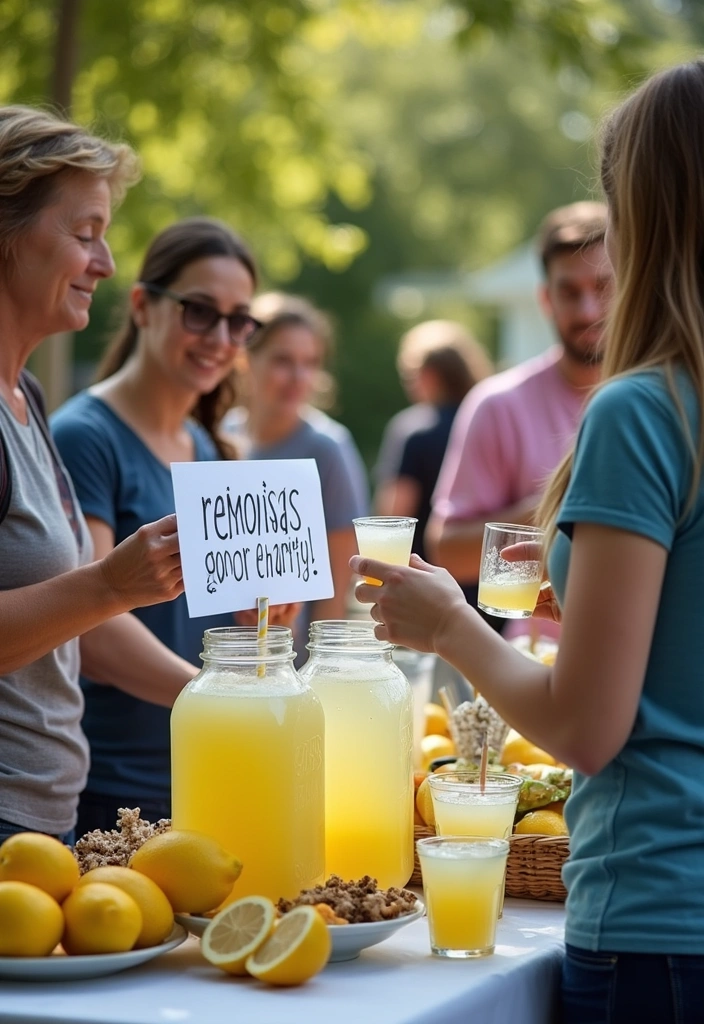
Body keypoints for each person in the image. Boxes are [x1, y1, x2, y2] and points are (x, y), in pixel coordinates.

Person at [353, 59, 704, 1023]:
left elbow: (590, 728)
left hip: (659, 915)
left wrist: (451, 627)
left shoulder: (643, 411)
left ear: (644, 210)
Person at [52, 219, 298, 834]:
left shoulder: (210, 447)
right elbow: (93, 630)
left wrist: (261, 608)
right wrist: (216, 699)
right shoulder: (85, 435)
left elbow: (213, 619)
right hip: (118, 795)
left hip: (207, 775)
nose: (220, 337)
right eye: (199, 311)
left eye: (239, 320)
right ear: (142, 306)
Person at [0, 105, 185, 845]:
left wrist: (224, 693)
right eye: (85, 235)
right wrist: (111, 582)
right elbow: (92, 598)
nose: (105, 264)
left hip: (43, 824)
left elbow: (81, 626)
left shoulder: (28, 396)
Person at [426, 202, 612, 635]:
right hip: (533, 664)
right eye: (570, 291)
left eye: (603, 287)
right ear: (545, 298)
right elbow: (447, 551)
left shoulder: (674, 400)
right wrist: (561, 503)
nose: (587, 309)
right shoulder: (499, 404)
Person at [223, 292, 369, 656]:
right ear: (245, 358)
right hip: (220, 657)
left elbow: (335, 592)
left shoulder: (328, 449)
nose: (298, 377)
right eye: (283, 360)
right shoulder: (219, 437)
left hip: (289, 664)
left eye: (310, 362)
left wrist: (313, 675)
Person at [373, 320, 493, 563]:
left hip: (422, 578)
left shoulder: (414, 430)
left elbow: (393, 516)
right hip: (479, 575)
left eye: (409, 376)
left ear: (428, 375)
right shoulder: (489, 423)